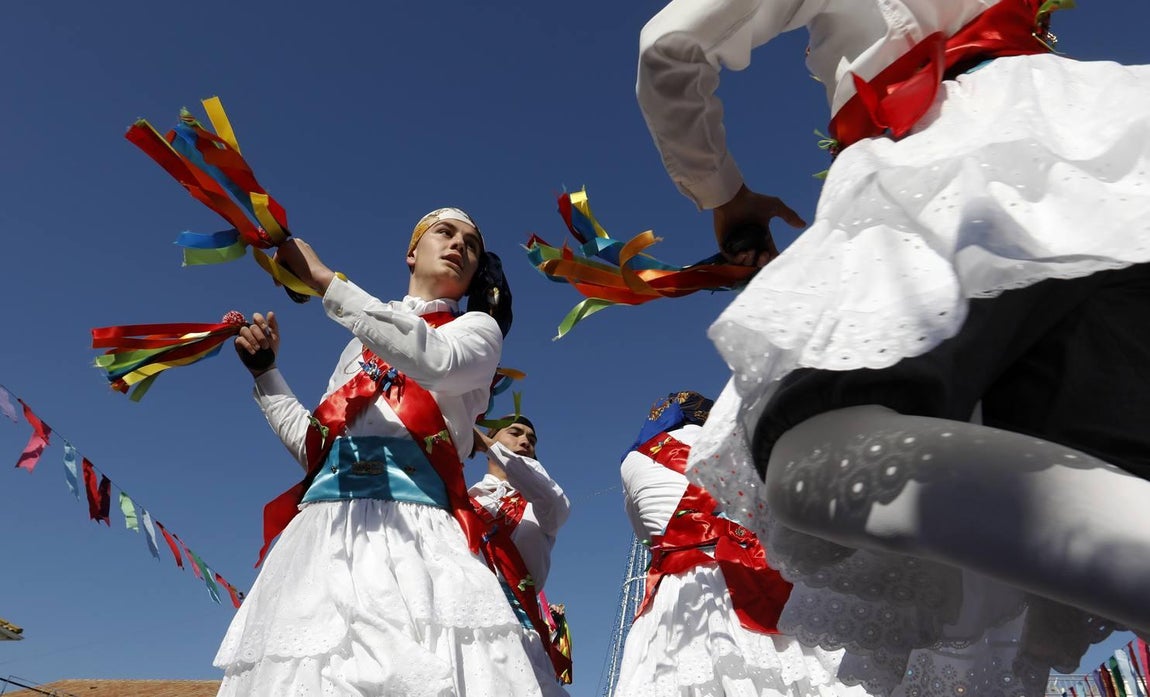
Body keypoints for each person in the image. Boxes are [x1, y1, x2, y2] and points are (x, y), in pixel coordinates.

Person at [636, 0, 1150, 693]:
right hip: (1107, 152)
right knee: (1117, 457)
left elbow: (669, 45)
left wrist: (722, 193)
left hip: (950, 160)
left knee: (816, 463)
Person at [213, 208, 565, 697]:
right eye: (445, 233)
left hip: (417, 536)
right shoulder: (359, 342)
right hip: (324, 536)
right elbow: (317, 451)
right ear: (411, 253)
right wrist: (266, 374)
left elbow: (435, 360)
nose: (459, 246)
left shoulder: (478, 332)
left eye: (471, 244)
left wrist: (326, 281)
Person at [615, 391, 873, 697]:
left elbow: (645, 532)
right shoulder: (737, 447)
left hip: (677, 589)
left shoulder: (633, 461)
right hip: (750, 570)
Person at [470, 415, 573, 684]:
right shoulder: (463, 500)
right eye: (515, 433)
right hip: (466, 617)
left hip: (520, 624)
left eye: (532, 439)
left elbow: (554, 500)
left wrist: (491, 445)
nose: (525, 441)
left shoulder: (543, 505)